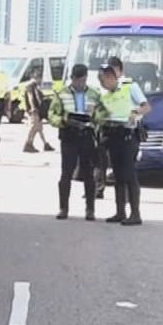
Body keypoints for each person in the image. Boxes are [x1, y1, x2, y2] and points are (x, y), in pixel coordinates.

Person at [93, 62, 149, 225]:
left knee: (129, 174)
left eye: (103, 80)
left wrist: (135, 113)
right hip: (111, 135)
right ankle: (120, 211)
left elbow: (146, 107)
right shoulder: (104, 94)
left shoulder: (129, 87)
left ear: (111, 77)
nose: (102, 84)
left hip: (128, 135)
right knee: (117, 176)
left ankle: (135, 213)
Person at [48, 63, 99, 220]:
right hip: (69, 135)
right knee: (66, 172)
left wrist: (94, 120)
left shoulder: (94, 94)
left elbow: (101, 113)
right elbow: (51, 114)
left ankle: (90, 210)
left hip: (87, 136)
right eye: (77, 81)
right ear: (72, 79)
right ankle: (63, 208)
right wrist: (63, 120)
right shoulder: (61, 94)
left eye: (83, 81)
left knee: (88, 173)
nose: (80, 84)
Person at [21, 67, 55, 154]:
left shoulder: (33, 85)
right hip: (34, 110)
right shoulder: (31, 85)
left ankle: (45, 144)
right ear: (37, 77)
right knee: (33, 127)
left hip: (36, 110)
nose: (41, 80)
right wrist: (33, 108)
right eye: (40, 78)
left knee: (39, 128)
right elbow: (31, 97)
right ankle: (27, 144)